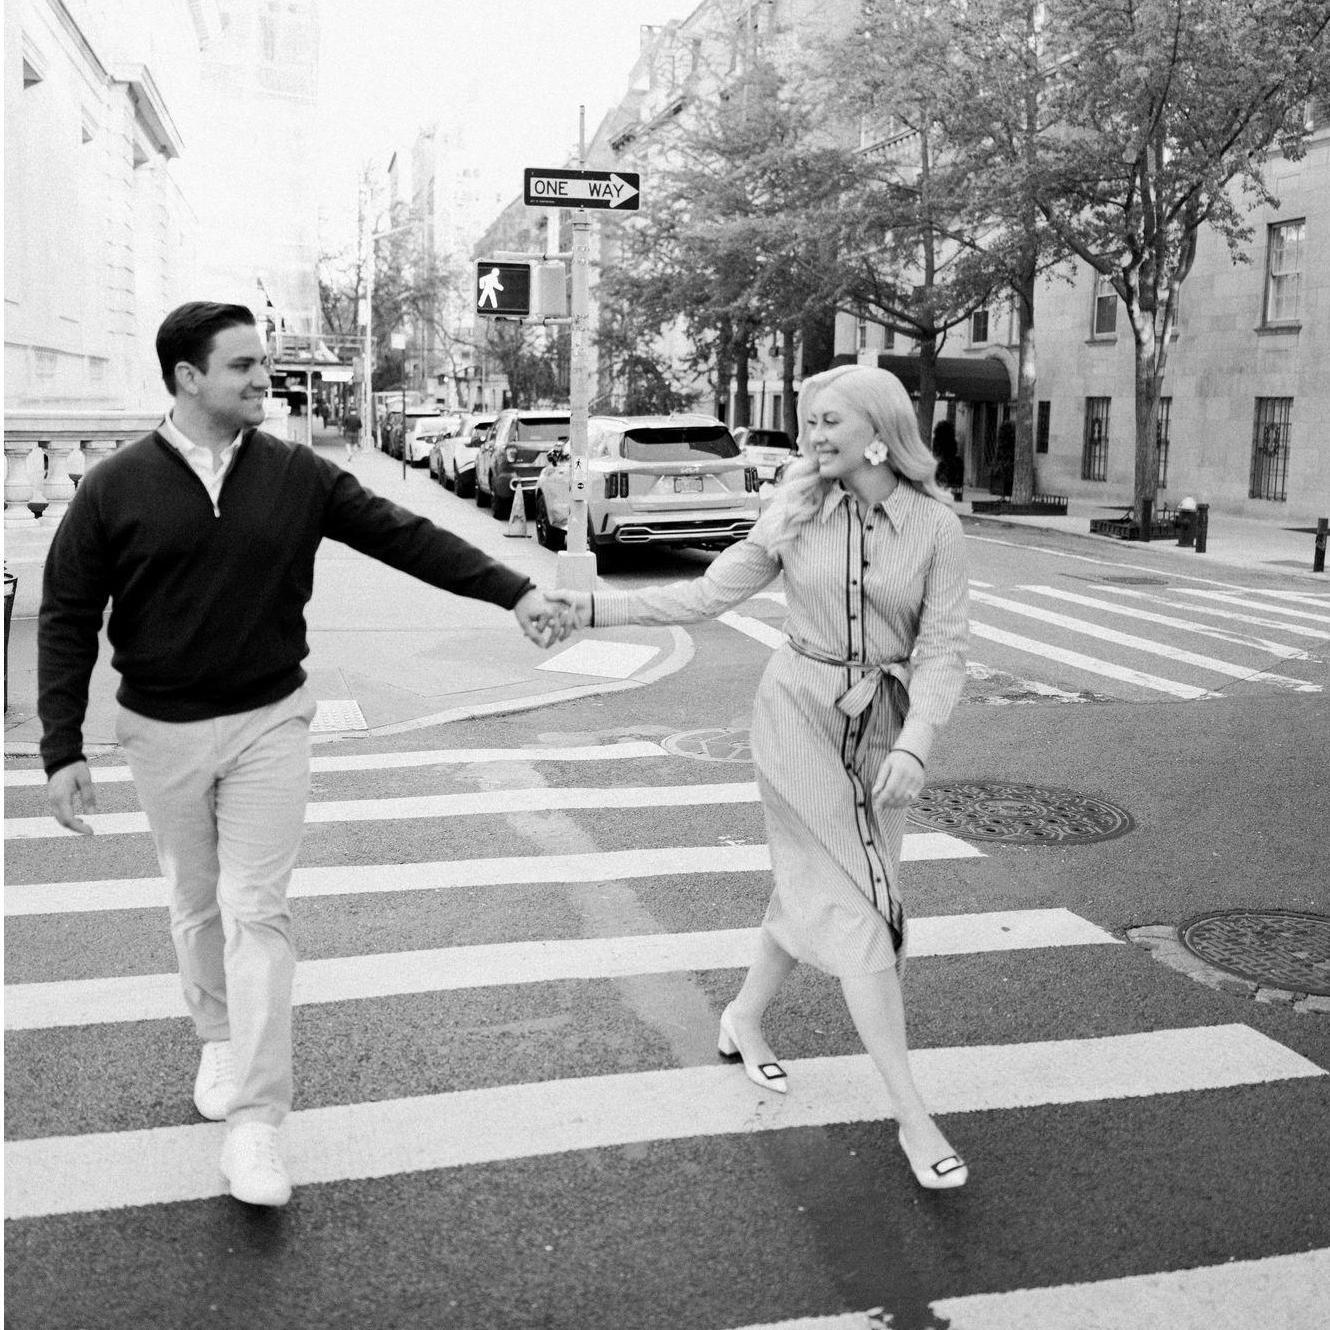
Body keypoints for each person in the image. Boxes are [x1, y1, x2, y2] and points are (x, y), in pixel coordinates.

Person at [38, 301, 570, 1208]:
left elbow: (406, 536)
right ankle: (217, 1038)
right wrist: (60, 747)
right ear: (188, 378)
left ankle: (255, 1123)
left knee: (256, 910)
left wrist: (514, 589)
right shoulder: (115, 485)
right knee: (196, 903)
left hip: (269, 722)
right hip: (160, 730)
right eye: (243, 365)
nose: (263, 378)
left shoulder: (295, 474)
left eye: (262, 363)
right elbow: (67, 615)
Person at [551, 365, 970, 1190]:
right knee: (862, 909)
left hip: (881, 732)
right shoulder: (796, 509)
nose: (813, 435)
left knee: (813, 887)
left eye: (830, 421)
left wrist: (916, 743)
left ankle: (743, 1017)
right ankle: (911, 1114)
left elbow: (945, 649)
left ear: (880, 431)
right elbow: (705, 598)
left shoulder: (936, 528)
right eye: (809, 421)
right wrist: (591, 608)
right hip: (795, 721)